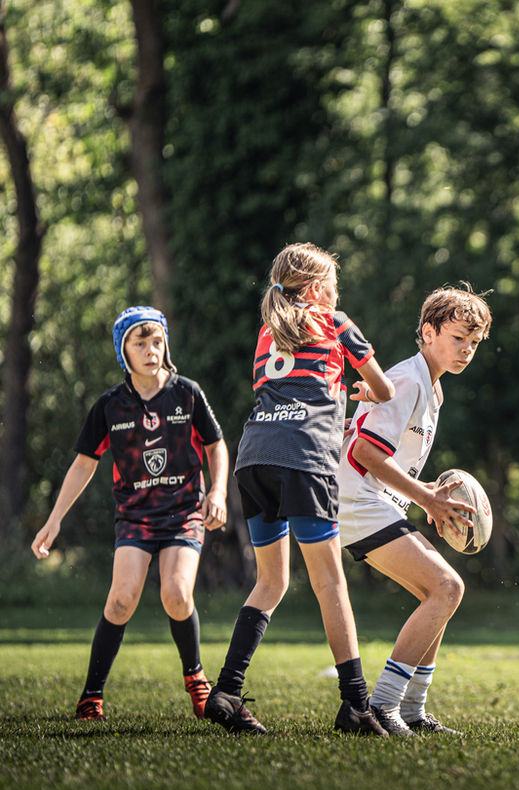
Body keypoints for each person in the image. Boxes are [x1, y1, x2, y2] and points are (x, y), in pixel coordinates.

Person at [203, 243, 395, 736]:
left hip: (254, 457)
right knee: (330, 582)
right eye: (333, 283)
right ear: (315, 288)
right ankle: (355, 704)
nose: (337, 292)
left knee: (271, 581)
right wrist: (367, 391)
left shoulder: (268, 332)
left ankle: (226, 690)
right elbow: (384, 388)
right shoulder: (334, 320)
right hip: (304, 459)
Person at [31, 306, 229, 722]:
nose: (151, 349)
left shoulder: (187, 394)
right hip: (136, 517)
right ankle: (91, 695)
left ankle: (196, 681)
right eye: (140, 343)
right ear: (124, 351)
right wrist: (54, 520)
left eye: (157, 341)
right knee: (121, 601)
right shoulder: (109, 406)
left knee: (176, 595)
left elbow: (216, 446)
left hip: (184, 512)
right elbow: (84, 463)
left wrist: (218, 491)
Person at [336, 284, 492, 736]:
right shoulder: (408, 380)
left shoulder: (431, 387)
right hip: (357, 502)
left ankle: (412, 711)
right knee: (447, 587)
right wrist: (426, 498)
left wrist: (419, 490)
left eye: (474, 343)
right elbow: (365, 452)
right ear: (428, 331)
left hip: (371, 502)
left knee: (437, 595)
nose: (466, 349)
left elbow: (376, 445)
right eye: (458, 337)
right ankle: (383, 705)